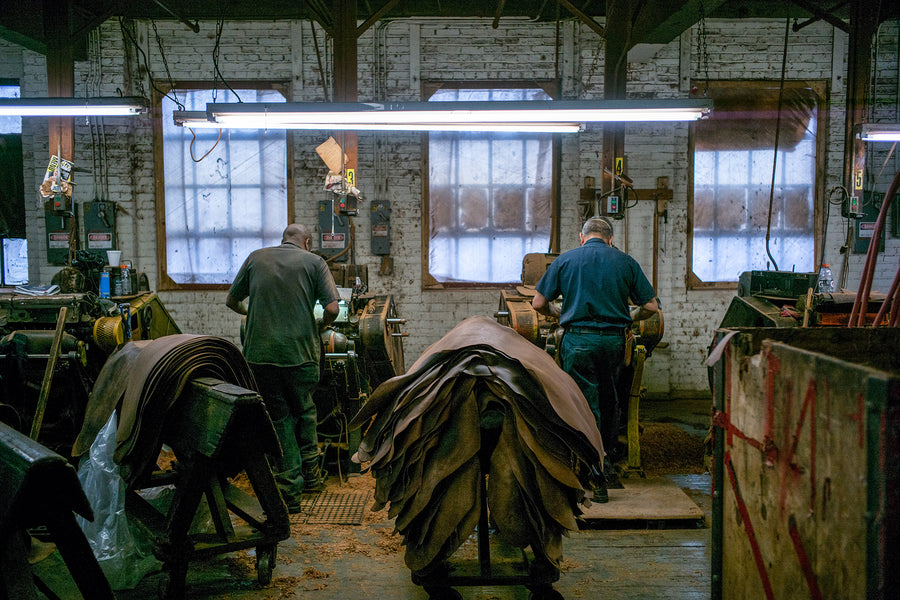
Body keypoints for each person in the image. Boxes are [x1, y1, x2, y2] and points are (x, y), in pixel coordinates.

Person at [531, 217, 658, 500]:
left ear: (582, 237)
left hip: (578, 341)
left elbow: (538, 303)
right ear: (610, 239)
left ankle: (591, 471)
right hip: (614, 342)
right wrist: (631, 317)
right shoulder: (626, 262)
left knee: (583, 404)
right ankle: (608, 461)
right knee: (610, 400)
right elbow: (651, 306)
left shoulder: (566, 261)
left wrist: (559, 315)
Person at [226, 223, 341, 511]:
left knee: (279, 419)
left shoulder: (255, 257)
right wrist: (319, 326)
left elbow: (231, 301)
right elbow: (333, 309)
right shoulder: (315, 262)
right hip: (300, 355)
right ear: (308, 241)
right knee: (305, 410)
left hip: (260, 357)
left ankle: (290, 489)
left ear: (283, 239)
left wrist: (253, 313)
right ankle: (307, 481)